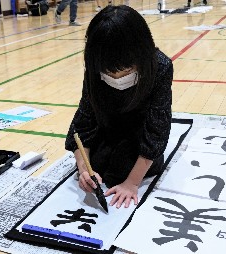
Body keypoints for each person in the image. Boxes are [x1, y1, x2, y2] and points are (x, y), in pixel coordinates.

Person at [65, 6, 173, 209]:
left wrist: (132, 183)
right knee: (96, 166)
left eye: (126, 70)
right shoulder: (95, 67)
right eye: (109, 72)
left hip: (138, 133)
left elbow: (157, 130)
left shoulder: (160, 67)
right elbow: (84, 121)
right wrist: (83, 168)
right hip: (108, 129)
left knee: (123, 171)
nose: (117, 78)